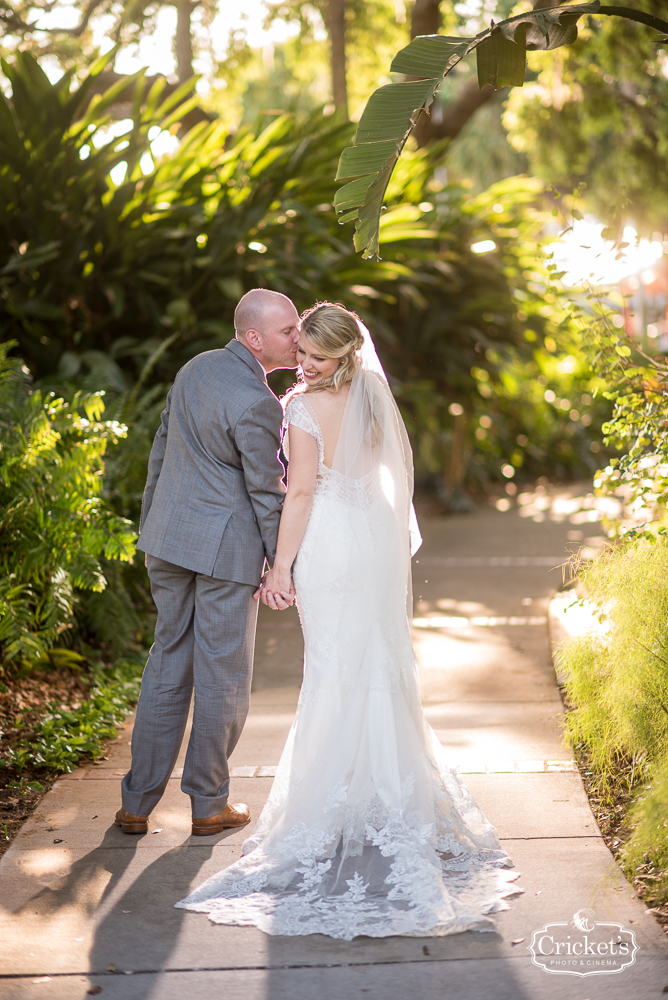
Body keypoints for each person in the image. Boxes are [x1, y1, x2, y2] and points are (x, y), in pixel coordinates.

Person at [176, 303, 521, 938]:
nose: (301, 365)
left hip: (331, 546)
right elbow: (388, 481)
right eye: (299, 352)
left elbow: (302, 494)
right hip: (374, 545)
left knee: (337, 669)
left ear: (342, 356)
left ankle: (340, 810)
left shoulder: (302, 409)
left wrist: (280, 567)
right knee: (376, 667)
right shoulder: (369, 397)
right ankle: (385, 800)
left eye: (314, 356)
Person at [116, 289, 299, 838]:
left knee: (167, 662)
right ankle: (208, 805)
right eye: (288, 330)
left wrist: (152, 525)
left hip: (168, 542)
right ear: (254, 337)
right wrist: (281, 564)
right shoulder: (259, 402)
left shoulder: (194, 369)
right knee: (223, 676)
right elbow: (268, 495)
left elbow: (161, 448)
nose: (298, 336)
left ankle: (136, 804)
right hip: (225, 555)